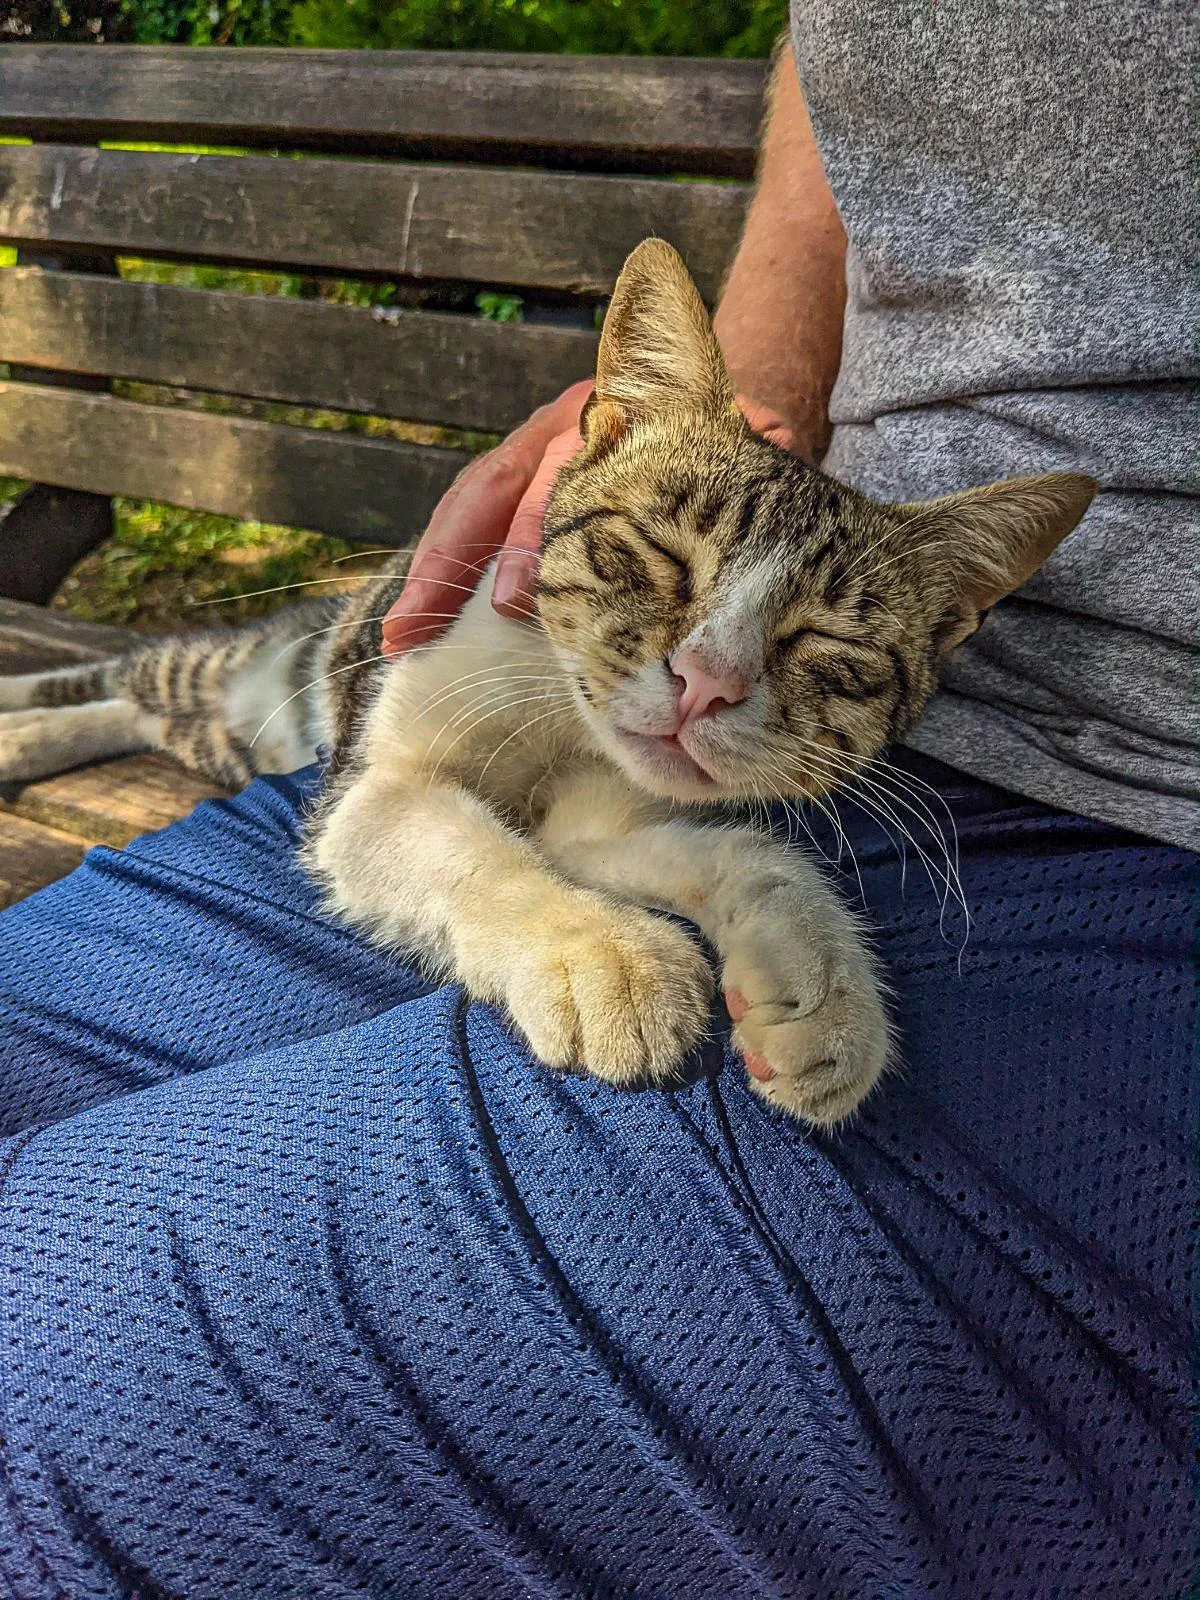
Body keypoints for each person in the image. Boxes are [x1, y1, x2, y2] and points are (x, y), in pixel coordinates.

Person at [0, 7, 1193, 1598]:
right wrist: (731, 408)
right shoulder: (642, 640)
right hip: (628, 745)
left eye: (803, 649)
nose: (707, 680)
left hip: (1134, 819)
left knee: (64, 1368)